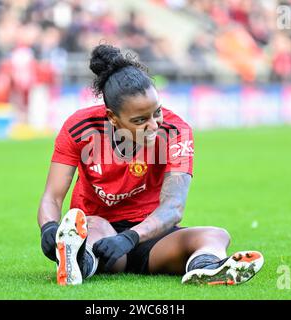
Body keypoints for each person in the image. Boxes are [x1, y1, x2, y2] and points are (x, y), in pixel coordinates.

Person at [37, 44, 264, 286]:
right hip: (100, 234)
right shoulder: (80, 128)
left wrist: (131, 237)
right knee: (95, 226)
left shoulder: (176, 131)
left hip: (149, 235)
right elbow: (52, 196)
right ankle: (78, 261)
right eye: (140, 120)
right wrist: (49, 228)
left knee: (216, 234)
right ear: (113, 117)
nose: (154, 125)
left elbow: (174, 207)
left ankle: (206, 268)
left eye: (157, 113)